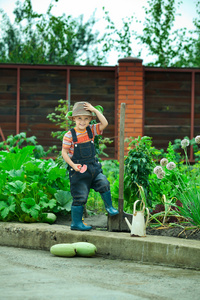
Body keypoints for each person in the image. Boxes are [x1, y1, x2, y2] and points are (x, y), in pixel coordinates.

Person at [62, 101, 119, 231]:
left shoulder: (91, 130)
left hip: (93, 168)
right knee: (80, 196)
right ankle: (76, 223)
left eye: (86, 118)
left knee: (104, 183)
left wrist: (94, 109)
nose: (83, 121)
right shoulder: (69, 135)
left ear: (90, 120)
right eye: (79, 118)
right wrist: (73, 165)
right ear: (74, 119)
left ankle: (109, 207)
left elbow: (105, 123)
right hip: (78, 171)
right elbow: (64, 153)